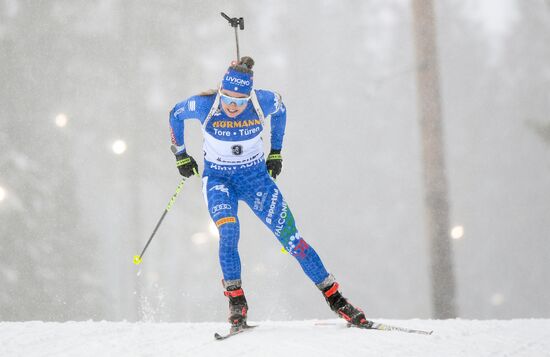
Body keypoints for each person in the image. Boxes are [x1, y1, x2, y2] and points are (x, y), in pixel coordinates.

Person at [169, 57, 371, 331]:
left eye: (239, 102)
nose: (232, 106)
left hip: (256, 180)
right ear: (221, 92)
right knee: (229, 233)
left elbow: (282, 109)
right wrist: (180, 154)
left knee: (292, 240)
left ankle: (336, 299)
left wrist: (276, 151)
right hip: (219, 180)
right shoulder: (205, 105)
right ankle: (237, 302)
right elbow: (175, 114)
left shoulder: (262, 101)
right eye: (227, 98)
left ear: (249, 97)